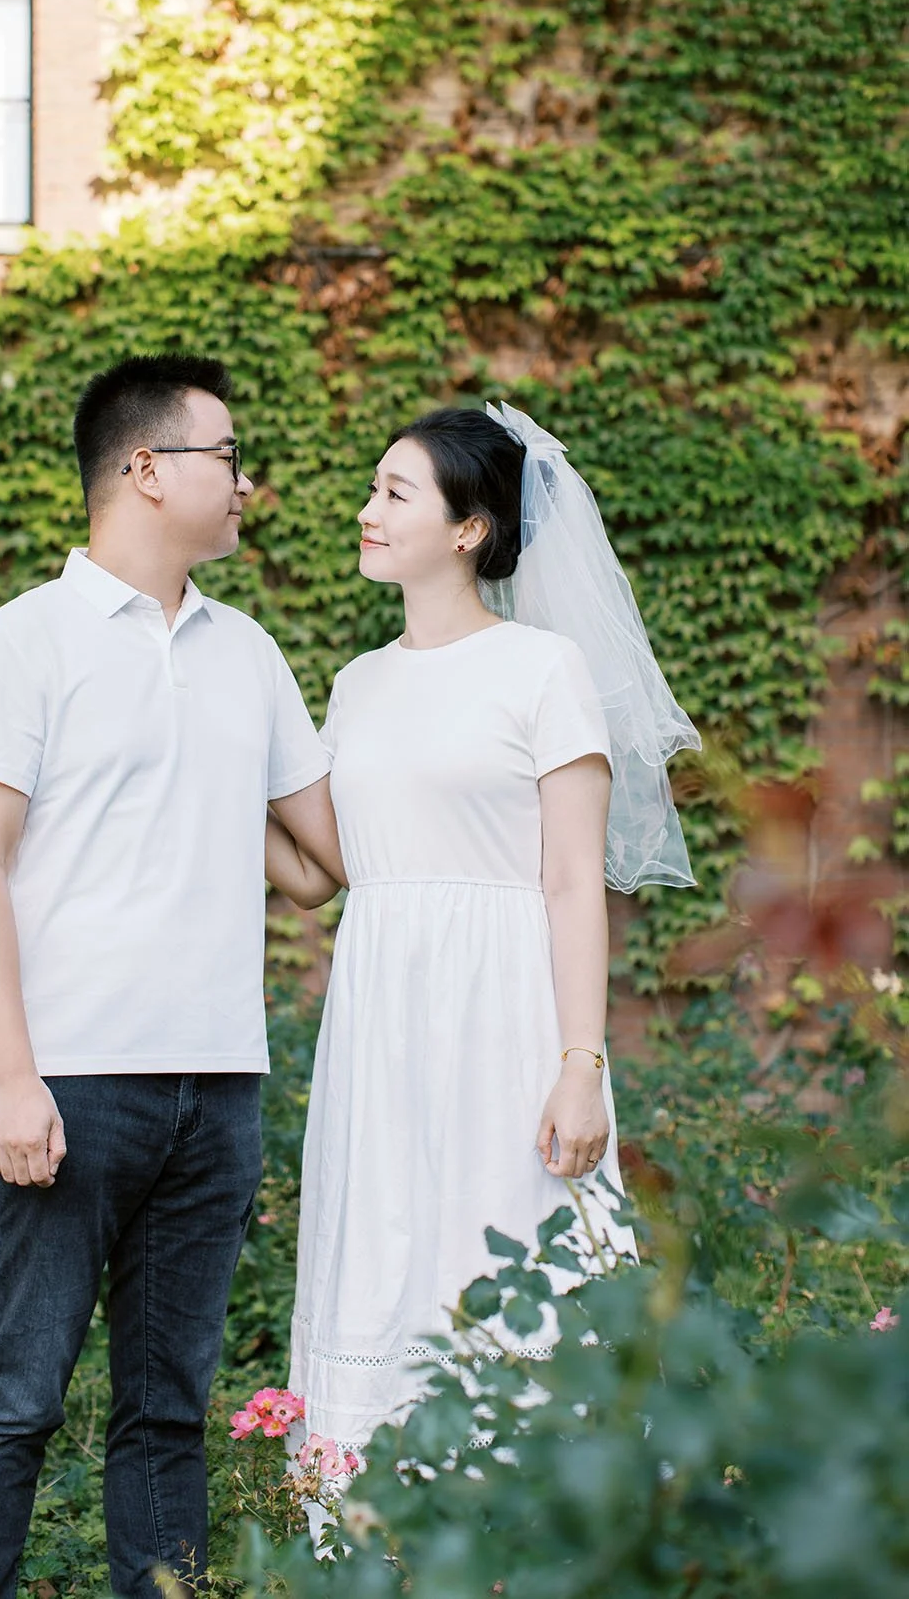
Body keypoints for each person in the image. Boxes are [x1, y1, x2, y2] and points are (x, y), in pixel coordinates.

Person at [0, 354, 340, 1599]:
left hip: (219, 1085)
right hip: (71, 1081)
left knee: (167, 1406)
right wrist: (12, 1076)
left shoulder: (248, 652)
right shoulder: (26, 639)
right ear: (148, 469)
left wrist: (221, 790)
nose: (248, 484)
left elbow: (318, 870)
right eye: (228, 457)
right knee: (17, 1393)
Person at [266, 402, 699, 1468]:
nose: (366, 511)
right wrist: (207, 792)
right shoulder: (357, 684)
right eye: (373, 489)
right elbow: (323, 876)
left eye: (393, 493)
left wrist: (581, 1062)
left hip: (507, 1021)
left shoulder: (543, 670)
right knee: (384, 1262)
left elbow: (569, 882)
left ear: (469, 529)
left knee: (522, 1279)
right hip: (380, 1028)